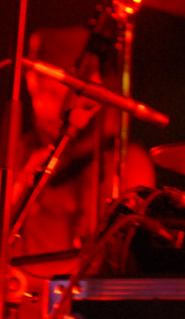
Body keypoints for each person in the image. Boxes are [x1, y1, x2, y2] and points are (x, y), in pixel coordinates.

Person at [10, 26, 155, 280]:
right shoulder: (22, 151)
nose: (40, 104)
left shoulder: (125, 163)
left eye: (52, 92)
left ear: (89, 92)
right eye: (35, 93)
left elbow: (120, 259)